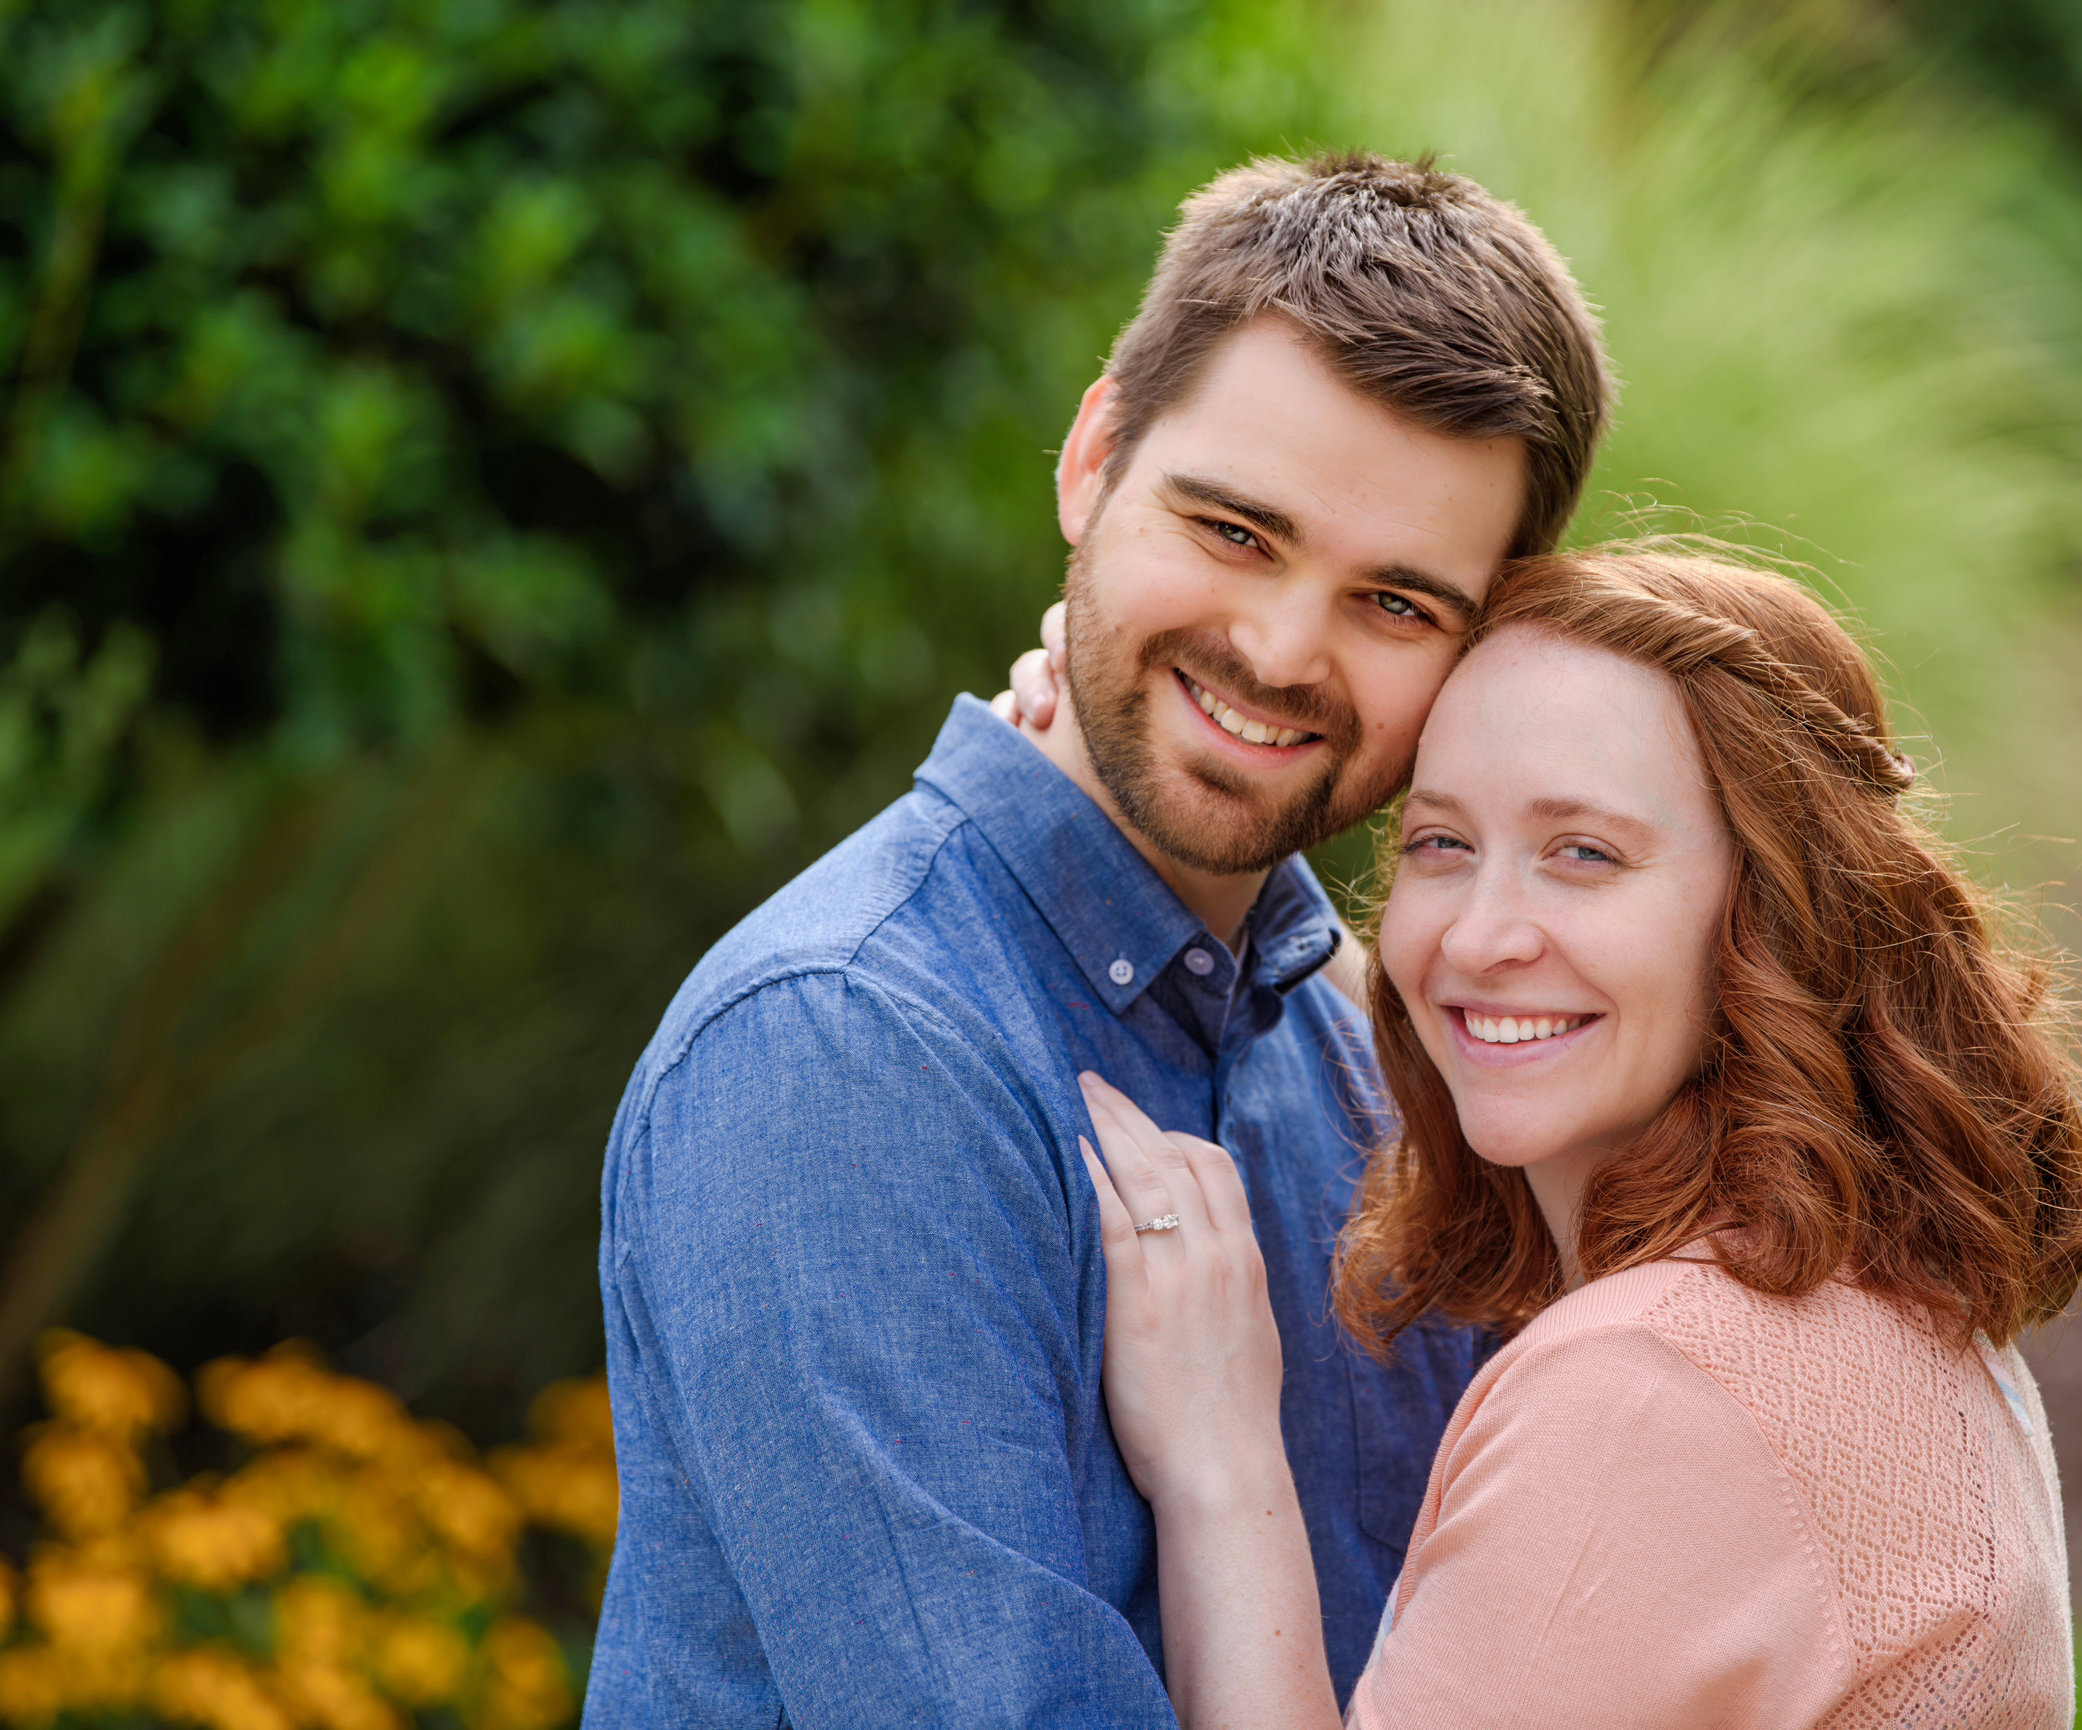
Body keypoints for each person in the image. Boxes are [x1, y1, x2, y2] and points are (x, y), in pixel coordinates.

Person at [582, 153, 1614, 1725]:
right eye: (1235, 530)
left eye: (1398, 606)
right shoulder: (850, 1051)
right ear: (1092, 457)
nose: (1279, 655)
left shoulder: (1368, 1061)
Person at [1076, 547, 2082, 1729]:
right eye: (1441, 843)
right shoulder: (1853, 1301)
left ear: (1773, 908)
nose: (1480, 936)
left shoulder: (1654, 1396)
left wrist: (1220, 1465)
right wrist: (1134, 760)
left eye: (1583, 853)